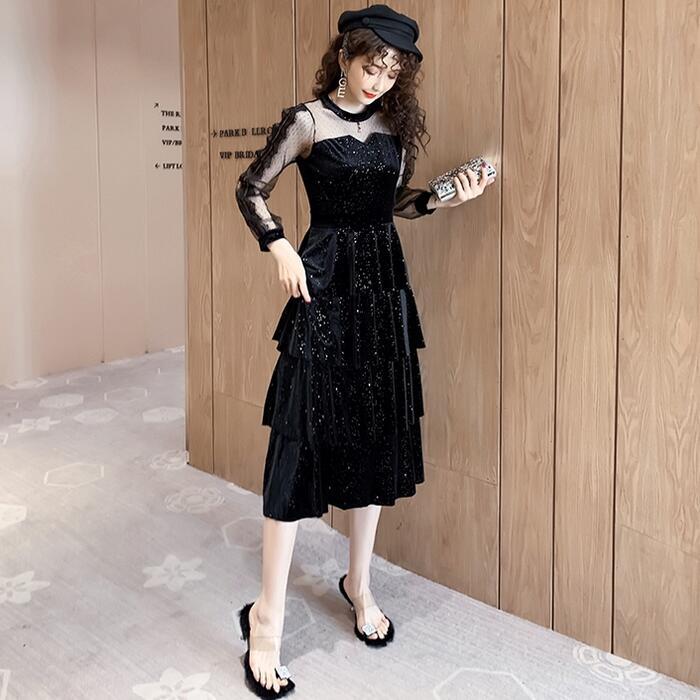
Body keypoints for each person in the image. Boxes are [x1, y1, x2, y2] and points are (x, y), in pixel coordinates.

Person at [234, 4, 495, 696]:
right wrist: (279, 246)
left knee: (373, 434)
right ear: (345, 56)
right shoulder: (307, 122)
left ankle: (359, 582)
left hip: (382, 292)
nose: (380, 81)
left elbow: (394, 204)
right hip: (323, 285)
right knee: (298, 443)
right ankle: (266, 618)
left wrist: (444, 199)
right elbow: (250, 188)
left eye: (392, 72)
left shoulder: (394, 129)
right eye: (371, 66)